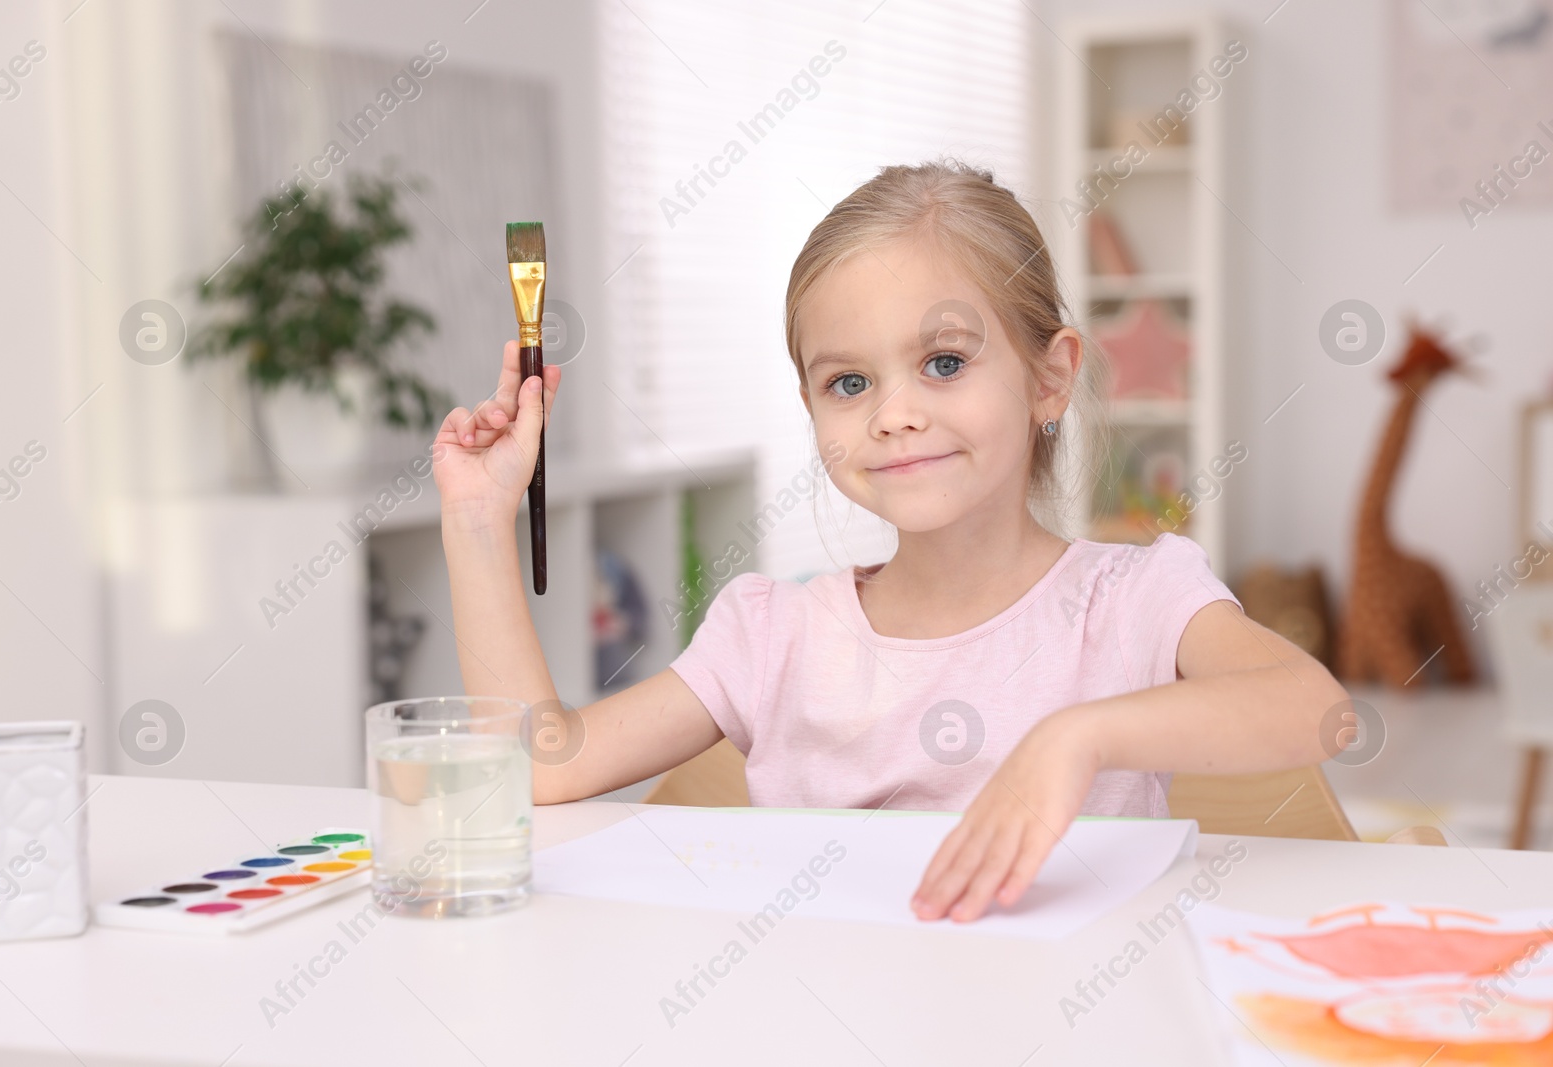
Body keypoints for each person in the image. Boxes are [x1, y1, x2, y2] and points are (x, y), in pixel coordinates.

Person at [432, 160, 1345, 923]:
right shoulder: (771, 635)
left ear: (1050, 378)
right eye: (849, 382)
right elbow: (540, 771)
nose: (896, 414)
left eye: (944, 363)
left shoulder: (1133, 602)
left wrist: (1080, 738)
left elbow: (1314, 707)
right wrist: (478, 521)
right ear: (811, 409)